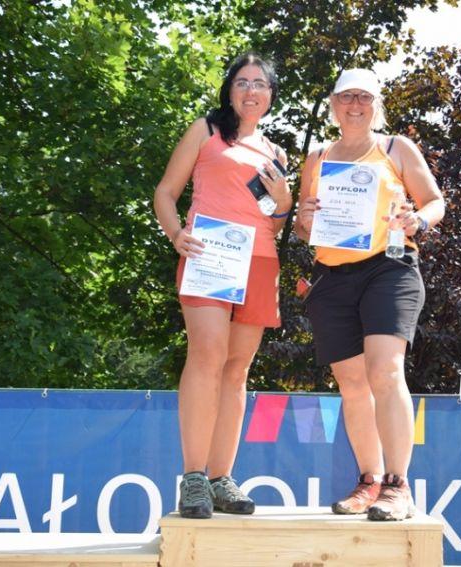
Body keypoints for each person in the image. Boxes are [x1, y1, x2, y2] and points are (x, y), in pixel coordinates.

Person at [295, 68, 444, 521]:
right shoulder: (317, 157)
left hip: (389, 268)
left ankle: (398, 487)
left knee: (385, 370)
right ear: (333, 104)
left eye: (364, 97)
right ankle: (369, 482)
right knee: (353, 384)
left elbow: (435, 201)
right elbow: (302, 226)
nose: (355, 104)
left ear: (376, 105)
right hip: (331, 277)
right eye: (346, 97)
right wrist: (306, 219)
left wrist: (418, 220)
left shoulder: (397, 147)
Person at [153, 53, 291, 519]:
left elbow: (275, 221)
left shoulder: (275, 154)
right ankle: (194, 477)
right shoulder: (205, 131)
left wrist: (284, 201)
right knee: (207, 355)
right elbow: (165, 192)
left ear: (271, 95)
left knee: (237, 370)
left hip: (260, 259)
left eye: (260, 83)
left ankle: (220, 478)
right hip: (210, 255)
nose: (251, 91)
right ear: (229, 90)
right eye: (242, 82)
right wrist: (176, 233)